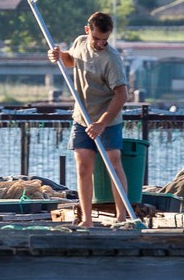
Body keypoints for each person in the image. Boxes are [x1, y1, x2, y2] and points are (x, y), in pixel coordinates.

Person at [48, 11, 132, 225]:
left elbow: (122, 95)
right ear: (88, 31)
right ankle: (87, 219)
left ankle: (121, 216)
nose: (101, 44)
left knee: (114, 163)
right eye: (97, 39)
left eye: (106, 40)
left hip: (108, 119)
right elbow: (70, 60)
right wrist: (58, 56)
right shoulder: (80, 42)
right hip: (82, 117)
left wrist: (102, 122)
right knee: (84, 166)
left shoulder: (111, 59)